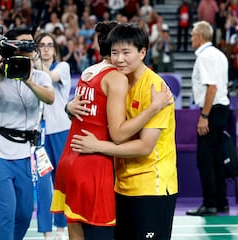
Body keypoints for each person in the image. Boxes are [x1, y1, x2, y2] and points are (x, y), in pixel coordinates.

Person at [51, 21, 172, 240]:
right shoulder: (119, 80)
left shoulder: (157, 90)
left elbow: (145, 146)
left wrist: (98, 145)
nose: (119, 58)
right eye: (115, 52)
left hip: (149, 185)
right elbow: (99, 118)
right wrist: (69, 107)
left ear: (143, 52)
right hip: (118, 183)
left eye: (126, 52)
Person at [0, 27, 55, 240]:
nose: (28, 49)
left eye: (31, 44)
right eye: (23, 44)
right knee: (7, 212)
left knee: (24, 213)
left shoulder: (39, 76)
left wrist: (28, 80)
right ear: (11, 47)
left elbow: (49, 98)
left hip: (25, 152)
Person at [185, 20, 231, 216]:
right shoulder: (219, 54)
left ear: (200, 36)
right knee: (217, 159)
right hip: (222, 108)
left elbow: (211, 87)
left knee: (205, 159)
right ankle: (221, 202)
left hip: (211, 110)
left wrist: (204, 116)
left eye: (193, 35)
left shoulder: (204, 57)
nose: (191, 38)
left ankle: (210, 204)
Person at [33, 32, 71, 240]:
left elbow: (50, 77)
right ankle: (46, 232)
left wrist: (36, 61)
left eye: (50, 45)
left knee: (62, 181)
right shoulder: (31, 72)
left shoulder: (62, 68)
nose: (46, 48)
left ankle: (60, 228)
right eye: (42, 45)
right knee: (42, 182)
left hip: (61, 131)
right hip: (39, 134)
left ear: (54, 50)